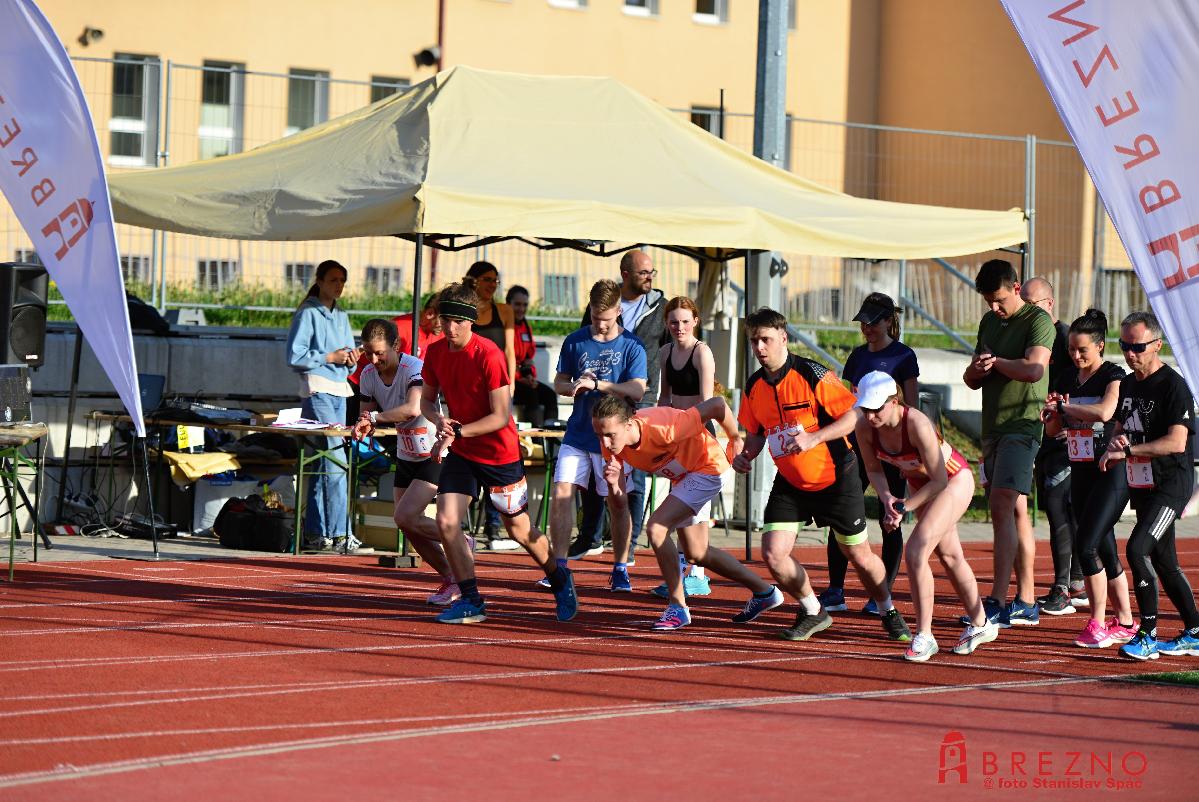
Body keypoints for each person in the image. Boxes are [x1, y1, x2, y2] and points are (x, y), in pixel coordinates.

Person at [731, 307, 912, 644]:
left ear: (783, 338)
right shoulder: (753, 386)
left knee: (858, 556)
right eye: (754, 340)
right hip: (791, 482)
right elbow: (755, 433)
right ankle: (813, 610)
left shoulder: (813, 373)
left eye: (766, 340)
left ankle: (887, 609)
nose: (759, 348)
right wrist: (745, 456)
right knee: (772, 554)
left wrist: (814, 438)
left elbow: (853, 416)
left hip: (836, 477)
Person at [419, 282, 577, 624]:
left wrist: (459, 430)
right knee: (446, 521)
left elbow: (500, 415)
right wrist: (439, 421)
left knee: (519, 530)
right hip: (462, 451)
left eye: (456, 321)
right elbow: (427, 401)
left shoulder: (488, 353)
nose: (449, 327)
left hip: (498, 453)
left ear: (470, 322)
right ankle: (472, 599)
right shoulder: (435, 352)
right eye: (445, 319)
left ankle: (560, 578)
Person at [592, 394, 783, 630]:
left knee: (657, 528)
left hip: (709, 467)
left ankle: (677, 607)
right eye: (600, 435)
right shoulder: (609, 443)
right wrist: (612, 484)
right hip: (684, 477)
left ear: (629, 423)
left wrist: (735, 438)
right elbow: (619, 505)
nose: (606, 442)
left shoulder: (665, 428)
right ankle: (764, 592)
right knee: (697, 552)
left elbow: (717, 404)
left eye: (610, 435)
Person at [854, 371, 998, 661]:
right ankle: (981, 623)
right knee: (951, 556)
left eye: (876, 408)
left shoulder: (917, 423)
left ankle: (925, 635)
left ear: (894, 402)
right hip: (921, 486)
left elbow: (939, 481)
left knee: (917, 551)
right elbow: (873, 470)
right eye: (865, 408)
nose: (870, 416)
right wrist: (887, 500)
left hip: (952, 480)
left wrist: (903, 506)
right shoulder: (865, 426)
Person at [1098, 311, 1199, 660]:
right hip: (1144, 482)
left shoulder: (1173, 386)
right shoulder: (1128, 383)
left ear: (1157, 345)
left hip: (1172, 483)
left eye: (1137, 346)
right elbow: (1121, 425)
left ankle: (1147, 634)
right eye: (1125, 345)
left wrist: (1130, 450)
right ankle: (1195, 630)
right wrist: (1112, 445)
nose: (1130, 353)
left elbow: (1177, 442)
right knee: (1164, 560)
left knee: (1137, 549)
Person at [962, 259, 1053, 627]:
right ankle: (1027, 600)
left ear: (1016, 288)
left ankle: (997, 600)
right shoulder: (989, 322)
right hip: (993, 428)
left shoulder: (1038, 321)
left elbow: (1034, 369)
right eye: (988, 302)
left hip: (1023, 424)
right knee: (1014, 511)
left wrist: (997, 362)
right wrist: (980, 368)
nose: (994, 309)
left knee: (1000, 504)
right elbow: (971, 379)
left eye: (999, 300)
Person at [1041, 309, 1137, 648]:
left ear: (1099, 346)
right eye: (1071, 350)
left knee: (1088, 544)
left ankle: (1096, 622)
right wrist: (1052, 413)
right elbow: (1054, 431)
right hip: (1079, 468)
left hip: (1111, 472)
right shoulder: (1067, 378)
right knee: (1105, 547)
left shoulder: (1115, 374)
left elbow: (1106, 412)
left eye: (1083, 350)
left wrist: (1067, 410)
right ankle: (1125, 619)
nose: (1076, 356)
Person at [351, 318, 463, 605]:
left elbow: (413, 409)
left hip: (434, 452)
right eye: (367, 353)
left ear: (396, 346)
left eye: (379, 353)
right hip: (406, 453)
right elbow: (367, 414)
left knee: (404, 516)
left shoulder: (413, 367)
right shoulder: (367, 375)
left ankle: (459, 541)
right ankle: (452, 577)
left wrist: (374, 418)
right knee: (407, 525)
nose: (373, 360)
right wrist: (363, 424)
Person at [820, 292, 918, 616]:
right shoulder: (857, 356)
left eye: (872, 322)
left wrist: (908, 451)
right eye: (863, 323)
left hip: (892, 448)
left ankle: (882, 594)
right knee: (841, 512)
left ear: (889, 321)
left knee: (890, 518)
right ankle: (835, 590)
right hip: (858, 444)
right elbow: (845, 402)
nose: (867, 328)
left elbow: (911, 407)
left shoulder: (904, 356)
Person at [551, 279, 646, 592]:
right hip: (577, 433)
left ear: (619, 312)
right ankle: (559, 567)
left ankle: (620, 567)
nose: (601, 325)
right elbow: (559, 383)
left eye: (606, 319)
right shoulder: (575, 341)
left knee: (617, 503)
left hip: (614, 439)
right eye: (595, 318)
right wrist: (575, 384)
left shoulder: (632, 345)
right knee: (562, 494)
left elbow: (637, 390)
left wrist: (600, 385)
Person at [581, 250, 668, 562]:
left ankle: (629, 545)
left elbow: (668, 350)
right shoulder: (604, 302)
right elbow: (584, 339)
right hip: (602, 395)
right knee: (596, 465)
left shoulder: (660, 307)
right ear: (626, 273)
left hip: (640, 396)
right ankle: (591, 537)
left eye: (652, 272)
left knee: (636, 471)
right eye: (644, 272)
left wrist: (664, 392)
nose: (650, 277)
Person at [286, 260, 362, 552]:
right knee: (335, 461)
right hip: (317, 388)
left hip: (339, 390)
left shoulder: (340, 314)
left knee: (323, 461)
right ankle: (341, 532)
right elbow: (295, 356)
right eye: (333, 280)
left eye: (342, 280)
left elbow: (343, 353)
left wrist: (351, 356)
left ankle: (318, 532)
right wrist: (330, 357)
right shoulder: (307, 313)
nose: (338, 285)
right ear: (319, 280)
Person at [649, 296, 718, 599]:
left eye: (685, 321)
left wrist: (684, 431)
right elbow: (665, 397)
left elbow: (706, 402)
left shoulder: (702, 352)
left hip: (700, 434)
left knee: (696, 504)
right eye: (674, 322)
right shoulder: (665, 352)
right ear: (667, 323)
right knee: (680, 501)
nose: (679, 327)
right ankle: (680, 571)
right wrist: (659, 429)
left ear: (695, 322)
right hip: (676, 434)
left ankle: (698, 574)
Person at [1022, 277, 1083, 615]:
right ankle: (1075, 580)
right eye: (1025, 306)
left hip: (1067, 439)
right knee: (1059, 509)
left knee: (1062, 508)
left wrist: (1073, 421)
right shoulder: (1027, 336)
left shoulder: (1065, 338)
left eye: (1036, 306)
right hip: (1042, 435)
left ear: (1050, 304)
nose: (1030, 313)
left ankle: (1063, 586)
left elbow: (1091, 384)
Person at [464, 261, 519, 550]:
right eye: (487, 279)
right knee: (469, 460)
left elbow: (510, 351)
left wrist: (509, 387)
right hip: (470, 397)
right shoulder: (466, 312)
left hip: (497, 395)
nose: (492, 285)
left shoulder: (504, 311)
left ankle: (494, 527)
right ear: (473, 281)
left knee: (497, 458)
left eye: (496, 280)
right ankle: (465, 524)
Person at [506, 285, 559, 427]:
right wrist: (520, 378)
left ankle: (550, 439)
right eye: (517, 304)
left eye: (524, 305)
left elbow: (529, 357)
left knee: (550, 395)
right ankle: (536, 441)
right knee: (532, 394)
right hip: (507, 380)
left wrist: (529, 376)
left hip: (524, 378)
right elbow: (503, 360)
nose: (521, 309)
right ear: (508, 304)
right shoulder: (503, 327)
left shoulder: (525, 326)